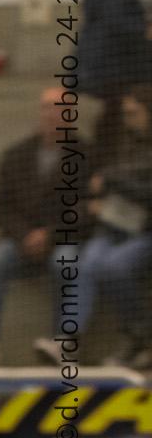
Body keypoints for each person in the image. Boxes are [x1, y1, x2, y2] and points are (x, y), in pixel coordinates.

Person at [0, 87, 73, 368]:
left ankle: (61, 342)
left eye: (59, 107)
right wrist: (25, 234)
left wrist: (49, 235)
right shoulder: (17, 154)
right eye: (46, 107)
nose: (52, 114)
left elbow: (85, 209)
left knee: (67, 263)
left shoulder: (84, 155)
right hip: (19, 238)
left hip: (62, 239)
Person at [79, 85, 152, 365]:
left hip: (145, 230)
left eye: (134, 113)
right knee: (87, 262)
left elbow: (146, 193)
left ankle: (138, 336)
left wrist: (112, 182)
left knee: (115, 266)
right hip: (115, 224)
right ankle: (68, 340)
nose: (129, 119)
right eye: (125, 114)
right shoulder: (125, 144)